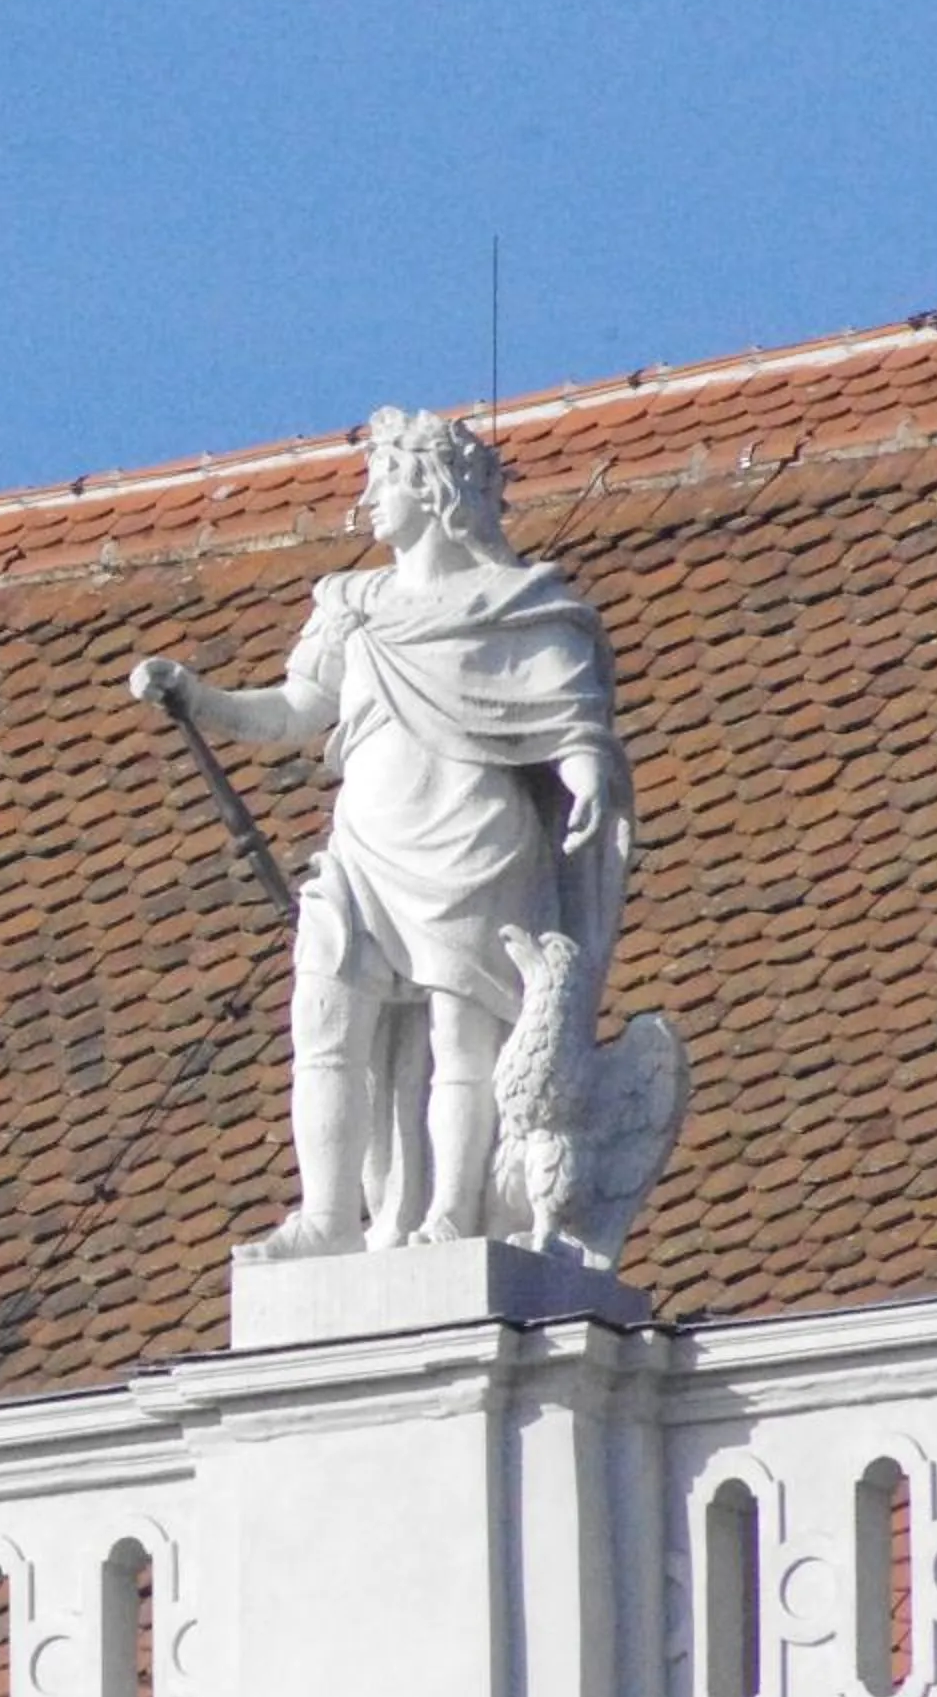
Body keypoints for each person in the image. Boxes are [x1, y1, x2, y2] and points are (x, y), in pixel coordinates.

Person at [130, 409, 630, 1258]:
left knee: (459, 1032)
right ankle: (327, 1218)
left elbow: (571, 722)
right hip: (365, 844)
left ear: (433, 490)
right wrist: (200, 698)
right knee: (325, 1019)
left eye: (385, 479)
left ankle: (448, 1213)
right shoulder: (352, 605)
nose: (367, 500)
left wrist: (584, 776)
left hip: (473, 839)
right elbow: (294, 710)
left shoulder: (517, 605)